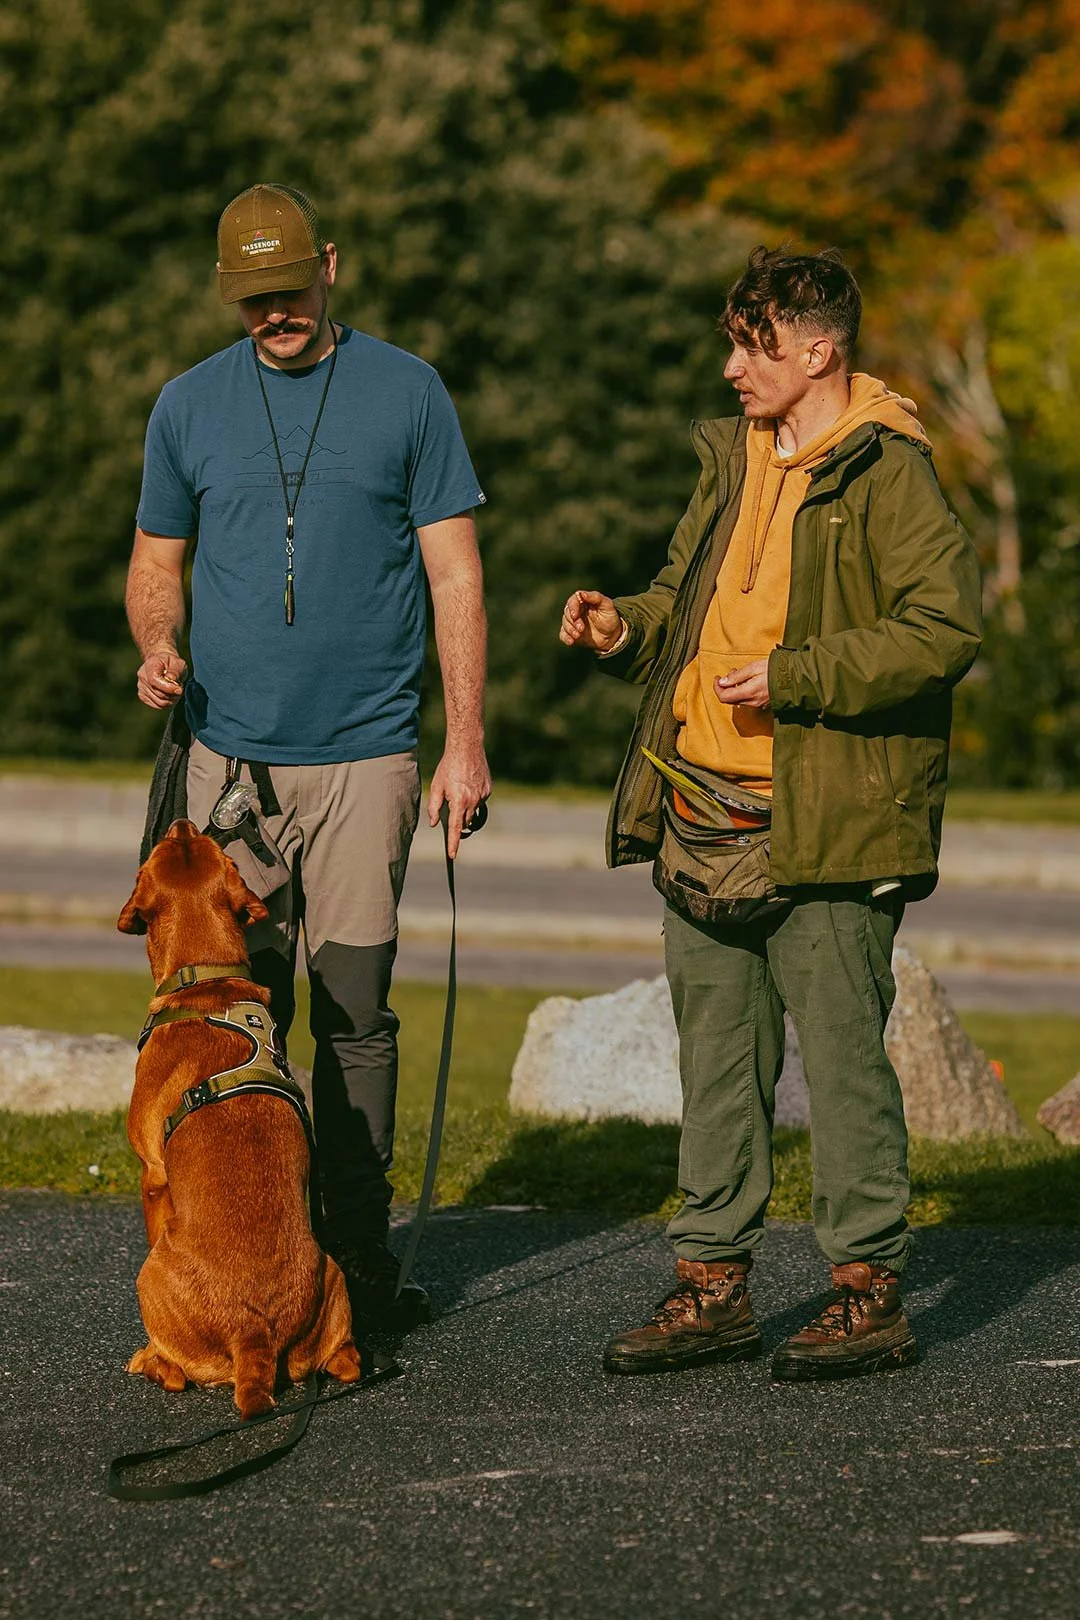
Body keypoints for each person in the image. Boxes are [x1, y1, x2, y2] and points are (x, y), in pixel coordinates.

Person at [560, 247, 982, 1381]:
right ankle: (713, 1289)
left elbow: (945, 630)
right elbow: (689, 604)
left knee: (843, 1069)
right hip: (701, 810)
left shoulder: (888, 471)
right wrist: (623, 631)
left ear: (817, 348)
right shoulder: (737, 457)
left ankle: (866, 1296)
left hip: (827, 823)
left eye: (753, 344)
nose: (734, 365)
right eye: (734, 342)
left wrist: (797, 677)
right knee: (717, 1065)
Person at [127, 183, 490, 1323]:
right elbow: (154, 562)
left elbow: (456, 575)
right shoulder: (187, 406)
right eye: (251, 299)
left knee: (354, 1015)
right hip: (224, 764)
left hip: (367, 759)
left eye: (287, 291)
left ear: (331, 265)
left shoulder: (409, 392)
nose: (272, 314)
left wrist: (464, 741)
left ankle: (356, 1259)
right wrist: (156, 643)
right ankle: (256, 1259)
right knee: (238, 1015)